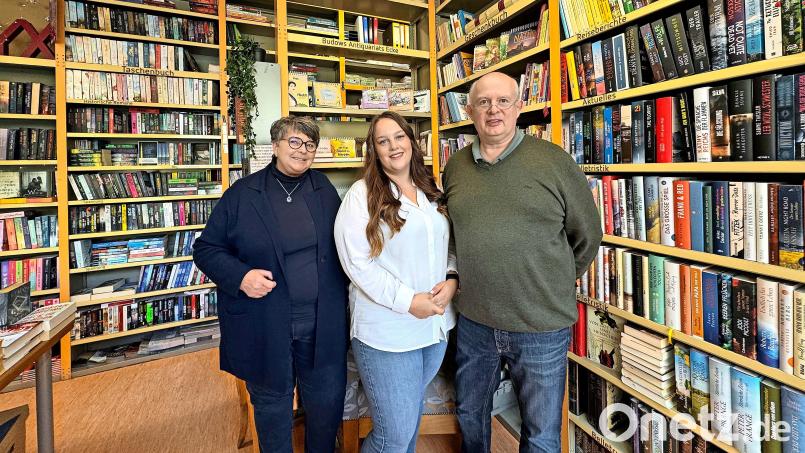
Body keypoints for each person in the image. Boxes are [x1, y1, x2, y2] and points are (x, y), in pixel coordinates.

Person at [441, 72, 602, 452]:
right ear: (469, 111)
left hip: (541, 324)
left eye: (502, 101)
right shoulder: (455, 167)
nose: (493, 110)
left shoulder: (554, 162)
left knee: (542, 432)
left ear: (519, 108)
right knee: (468, 413)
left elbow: (588, 235)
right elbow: (451, 234)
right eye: (483, 102)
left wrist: (555, 280)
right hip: (475, 322)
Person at [193, 116, 348, 453]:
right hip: (264, 323)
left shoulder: (323, 189)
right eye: (294, 142)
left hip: (322, 323)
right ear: (275, 146)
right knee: (272, 405)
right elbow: (205, 249)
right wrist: (241, 277)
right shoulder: (242, 194)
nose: (303, 151)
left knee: (325, 403)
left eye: (310, 145)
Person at [334, 111, 459, 453]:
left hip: (434, 328)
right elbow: (356, 263)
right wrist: (408, 301)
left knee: (407, 427)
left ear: (412, 141)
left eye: (399, 137)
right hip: (387, 333)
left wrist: (452, 278)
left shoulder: (431, 189)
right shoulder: (361, 195)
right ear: (373, 150)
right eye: (382, 140)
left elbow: (448, 245)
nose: (393, 146)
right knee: (393, 436)